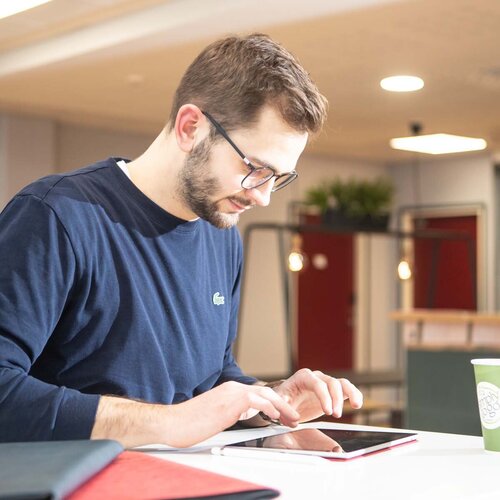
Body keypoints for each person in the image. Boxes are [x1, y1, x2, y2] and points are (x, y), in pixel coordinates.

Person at [0, 33, 362, 447]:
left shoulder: (222, 235)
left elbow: (211, 375)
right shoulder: (56, 215)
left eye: (277, 179)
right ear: (190, 127)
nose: (261, 196)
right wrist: (166, 423)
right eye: (255, 168)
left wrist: (267, 402)